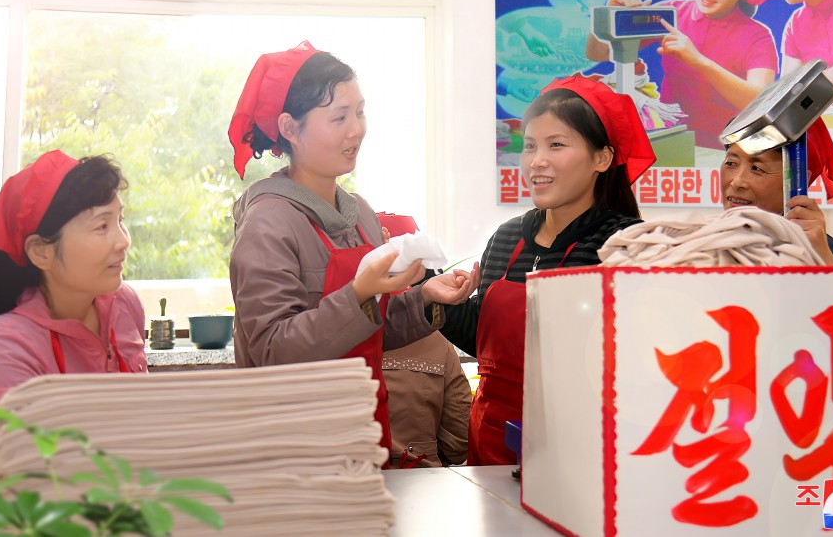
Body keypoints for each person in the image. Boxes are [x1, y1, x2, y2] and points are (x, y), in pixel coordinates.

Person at [227, 42, 479, 461]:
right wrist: (358, 294)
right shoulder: (268, 222)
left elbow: (369, 330)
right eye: (338, 117)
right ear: (290, 128)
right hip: (293, 443)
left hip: (360, 428)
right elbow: (272, 351)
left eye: (359, 112)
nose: (356, 130)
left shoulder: (359, 213)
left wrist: (425, 298)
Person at [441, 75, 656, 465]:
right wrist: (431, 298)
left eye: (556, 145)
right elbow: (484, 342)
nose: (536, 161)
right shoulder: (507, 238)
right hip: (491, 437)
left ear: (602, 159)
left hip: (577, 446)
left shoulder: (623, 244)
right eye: (529, 146)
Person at [0, 151, 147, 466]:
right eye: (101, 226)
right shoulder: (2, 349)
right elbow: (26, 480)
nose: (123, 241)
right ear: (41, 253)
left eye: (120, 221)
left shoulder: (125, 305)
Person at [586, 0, 780, 148]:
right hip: (669, 139)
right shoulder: (673, 12)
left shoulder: (757, 36)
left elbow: (759, 100)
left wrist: (698, 61)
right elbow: (598, 54)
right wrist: (608, 15)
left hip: (727, 148)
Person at [720, 118, 833, 265]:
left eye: (757, 168)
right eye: (731, 163)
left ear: (797, 180)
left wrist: (821, 258)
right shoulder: (701, 244)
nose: (736, 182)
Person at [382, 331, 471, 468]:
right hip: (418, 475)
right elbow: (459, 441)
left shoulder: (340, 340)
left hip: (348, 477)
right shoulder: (438, 343)